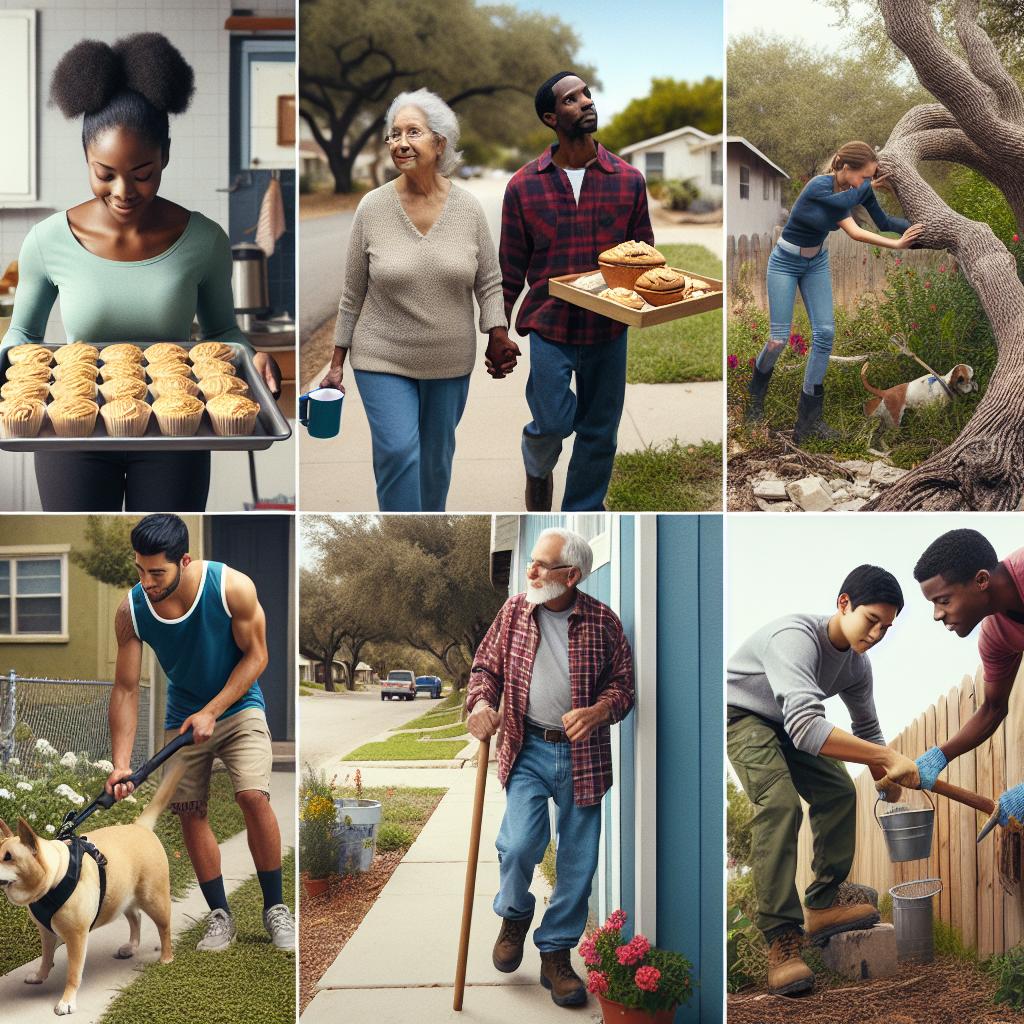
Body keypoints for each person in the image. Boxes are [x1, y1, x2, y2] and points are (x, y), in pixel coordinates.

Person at [2, 33, 280, 511]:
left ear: (165, 156)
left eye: (143, 172)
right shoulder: (48, 240)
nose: (123, 190)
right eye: (104, 172)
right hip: (74, 431)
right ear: (86, 157)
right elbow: (23, 335)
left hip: (176, 429)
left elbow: (222, 332)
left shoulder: (204, 239)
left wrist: (252, 358)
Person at [320, 88, 517, 512]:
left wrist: (497, 333)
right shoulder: (372, 208)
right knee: (397, 453)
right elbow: (353, 293)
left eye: (413, 132)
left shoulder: (466, 208)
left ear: (440, 143)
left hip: (449, 358)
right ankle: (400, 527)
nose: (401, 143)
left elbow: (489, 280)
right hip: (381, 356)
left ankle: (429, 524)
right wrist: (336, 363)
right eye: (394, 135)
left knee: (435, 464)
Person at [105, 514, 294, 952]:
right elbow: (126, 689)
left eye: (158, 572)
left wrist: (213, 710)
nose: (147, 581)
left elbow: (258, 656)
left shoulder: (231, 587)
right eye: (140, 569)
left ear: (184, 561)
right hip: (183, 716)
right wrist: (121, 763)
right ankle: (220, 914)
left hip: (239, 704)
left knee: (252, 795)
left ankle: (276, 909)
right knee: (191, 811)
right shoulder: (131, 610)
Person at [726, 565, 918, 996]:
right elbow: (809, 729)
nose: (876, 635)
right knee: (779, 805)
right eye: (871, 620)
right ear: (843, 603)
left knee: (838, 790)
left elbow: (867, 727)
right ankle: (781, 940)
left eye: (886, 628)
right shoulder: (795, 638)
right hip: (743, 716)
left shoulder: (856, 666)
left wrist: (884, 775)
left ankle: (821, 904)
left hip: (789, 724)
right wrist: (887, 756)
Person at [465, 528, 634, 1008]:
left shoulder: (604, 623)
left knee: (578, 864)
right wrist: (481, 704)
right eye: (531, 562)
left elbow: (623, 687)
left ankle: (556, 953)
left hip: (584, 755)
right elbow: (485, 668)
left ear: (572, 575)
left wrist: (600, 711)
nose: (530, 571)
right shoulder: (516, 610)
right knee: (518, 845)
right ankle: (515, 914)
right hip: (528, 746)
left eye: (541, 565)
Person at [500, 72, 654, 512]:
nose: (586, 102)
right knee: (550, 423)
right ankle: (537, 468)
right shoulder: (524, 186)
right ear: (551, 117)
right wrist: (499, 329)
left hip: (608, 327)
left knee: (600, 431)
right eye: (572, 99)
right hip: (551, 325)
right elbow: (509, 267)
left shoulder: (628, 180)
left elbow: (644, 255)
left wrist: (654, 299)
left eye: (587, 94)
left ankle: (582, 511)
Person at [746, 141, 924, 444]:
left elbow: (884, 223)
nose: (866, 183)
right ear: (843, 166)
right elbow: (855, 231)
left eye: (870, 178)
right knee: (778, 339)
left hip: (815, 261)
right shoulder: (819, 188)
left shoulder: (851, 192)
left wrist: (925, 231)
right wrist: (894, 242)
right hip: (785, 262)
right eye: (863, 176)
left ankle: (809, 422)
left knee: (826, 333)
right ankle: (754, 402)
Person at [880, 530, 1024, 823]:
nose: (937, 614)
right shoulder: (996, 637)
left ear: (981, 581)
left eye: (943, 600)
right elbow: (993, 709)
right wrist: (938, 758)